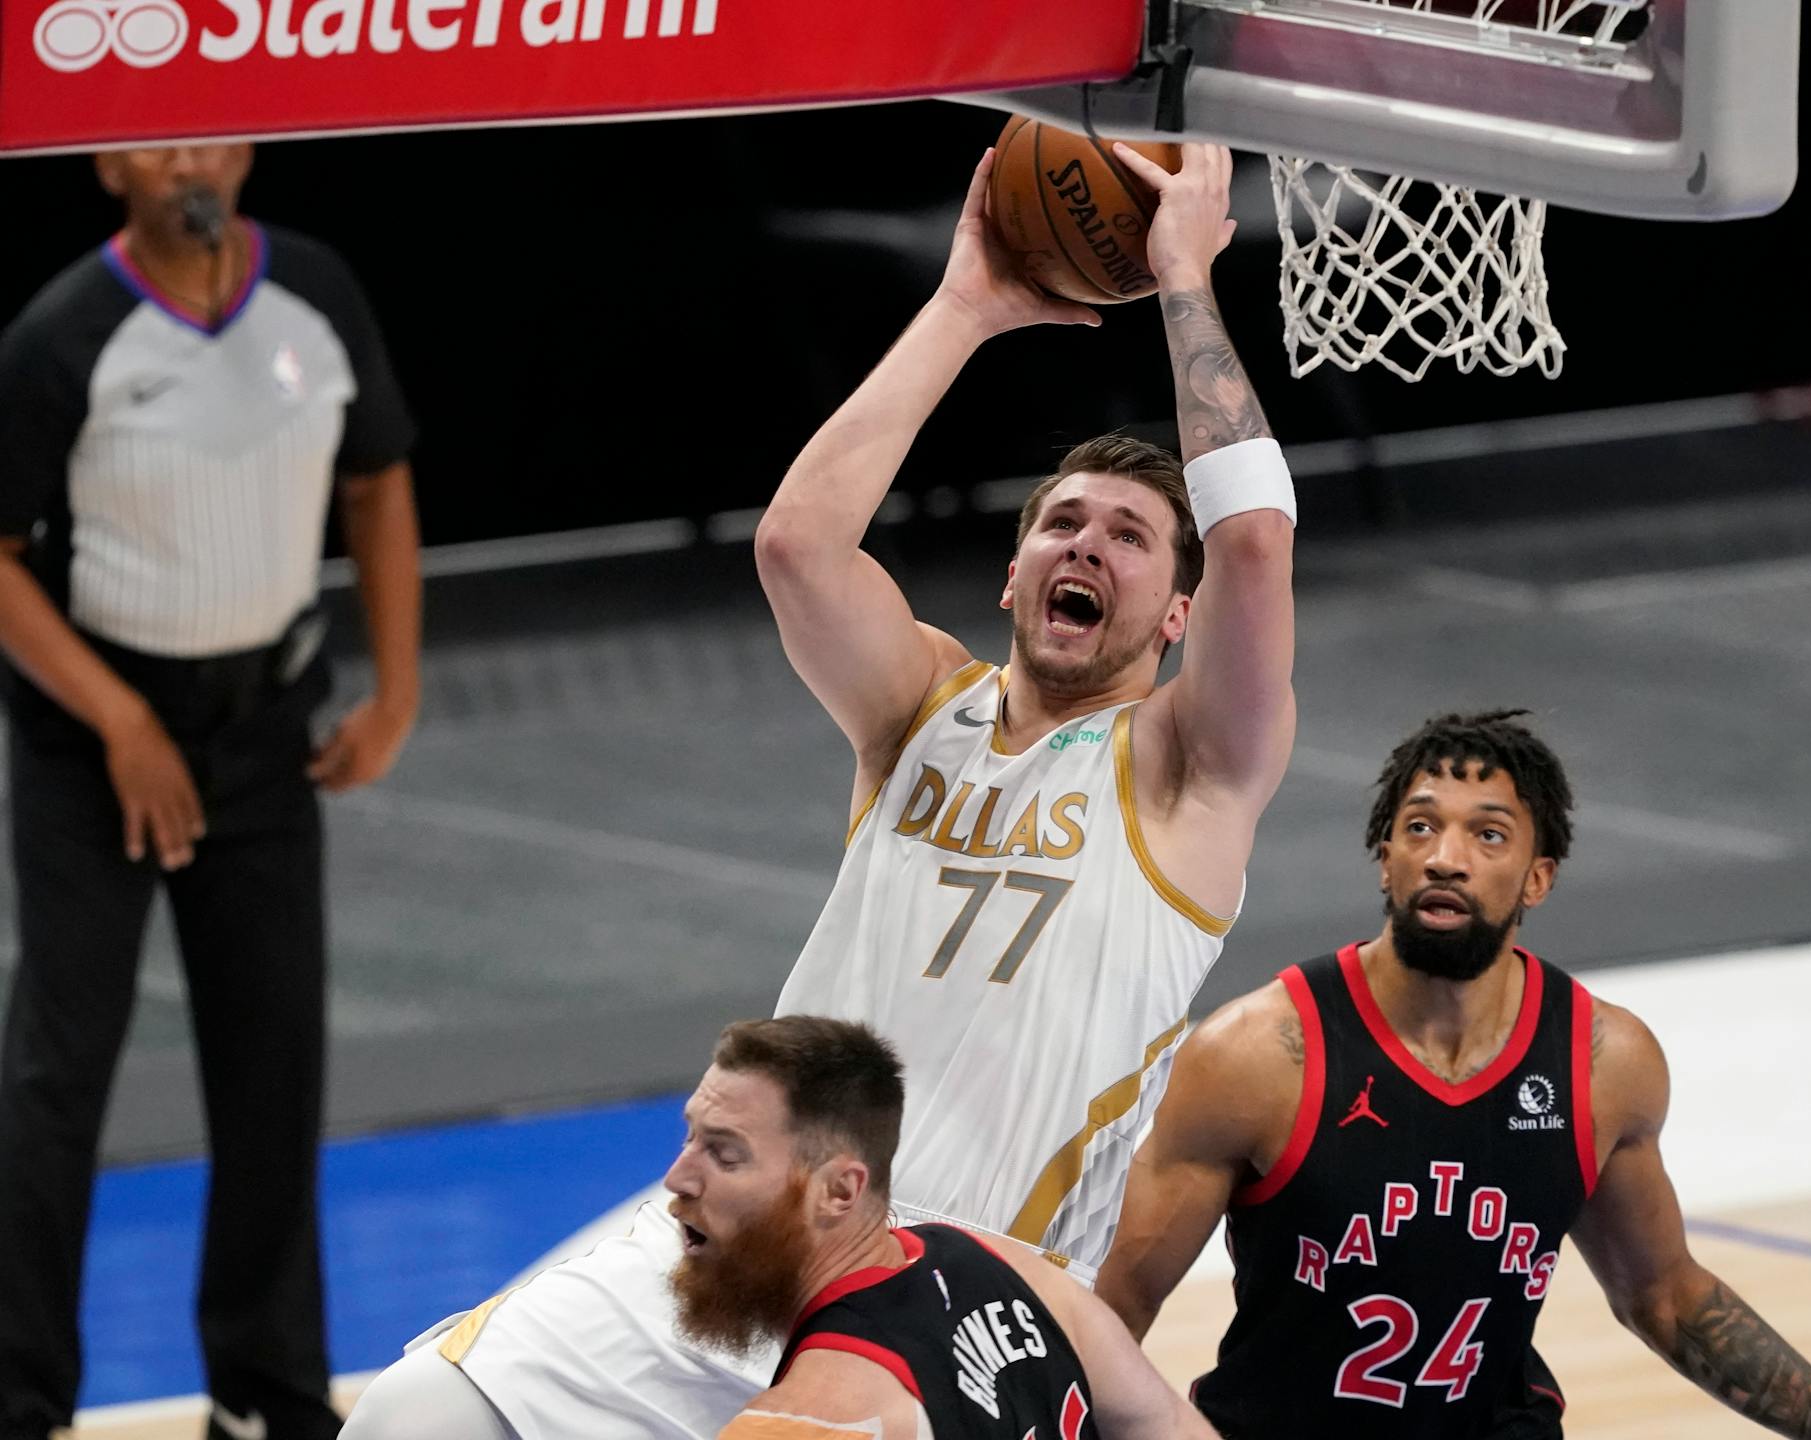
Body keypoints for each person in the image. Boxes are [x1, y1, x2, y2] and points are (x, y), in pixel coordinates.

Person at [345, 139, 1294, 1439]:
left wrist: (1183, 273)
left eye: (1128, 536)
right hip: (751, 1226)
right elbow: (798, 545)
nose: (1086, 543)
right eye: (1060, 524)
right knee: (410, 1415)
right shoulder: (923, 711)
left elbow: (1253, 536)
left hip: (948, 1289)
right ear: (1014, 579)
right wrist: (967, 302)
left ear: (1177, 610)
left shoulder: (1192, 774)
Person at [1094, 711, 1811, 1440]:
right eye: (1420, 828)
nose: (1446, 858)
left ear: (1537, 877)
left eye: (1487, 835)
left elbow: (1666, 1297)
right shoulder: (1258, 1056)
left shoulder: (1602, 1064)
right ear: (1386, 860)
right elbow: (1115, 1307)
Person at [0, 143, 421, 1440]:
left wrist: (395, 690)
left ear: (245, 148)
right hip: (95, 743)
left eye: (208, 129)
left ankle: (267, 1393)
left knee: (273, 1064)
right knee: (55, 1076)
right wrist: (120, 721)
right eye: (154, 135)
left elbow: (377, 478)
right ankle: (20, 1403)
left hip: (262, 733)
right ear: (103, 165)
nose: (187, 156)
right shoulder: (62, 336)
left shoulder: (316, 290)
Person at [347, 1016, 1220, 1440]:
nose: (676, 1180)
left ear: (839, 1190)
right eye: (690, 1137)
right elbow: (1166, 1428)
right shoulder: (1013, 1267)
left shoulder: (809, 1420)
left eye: (724, 1154)